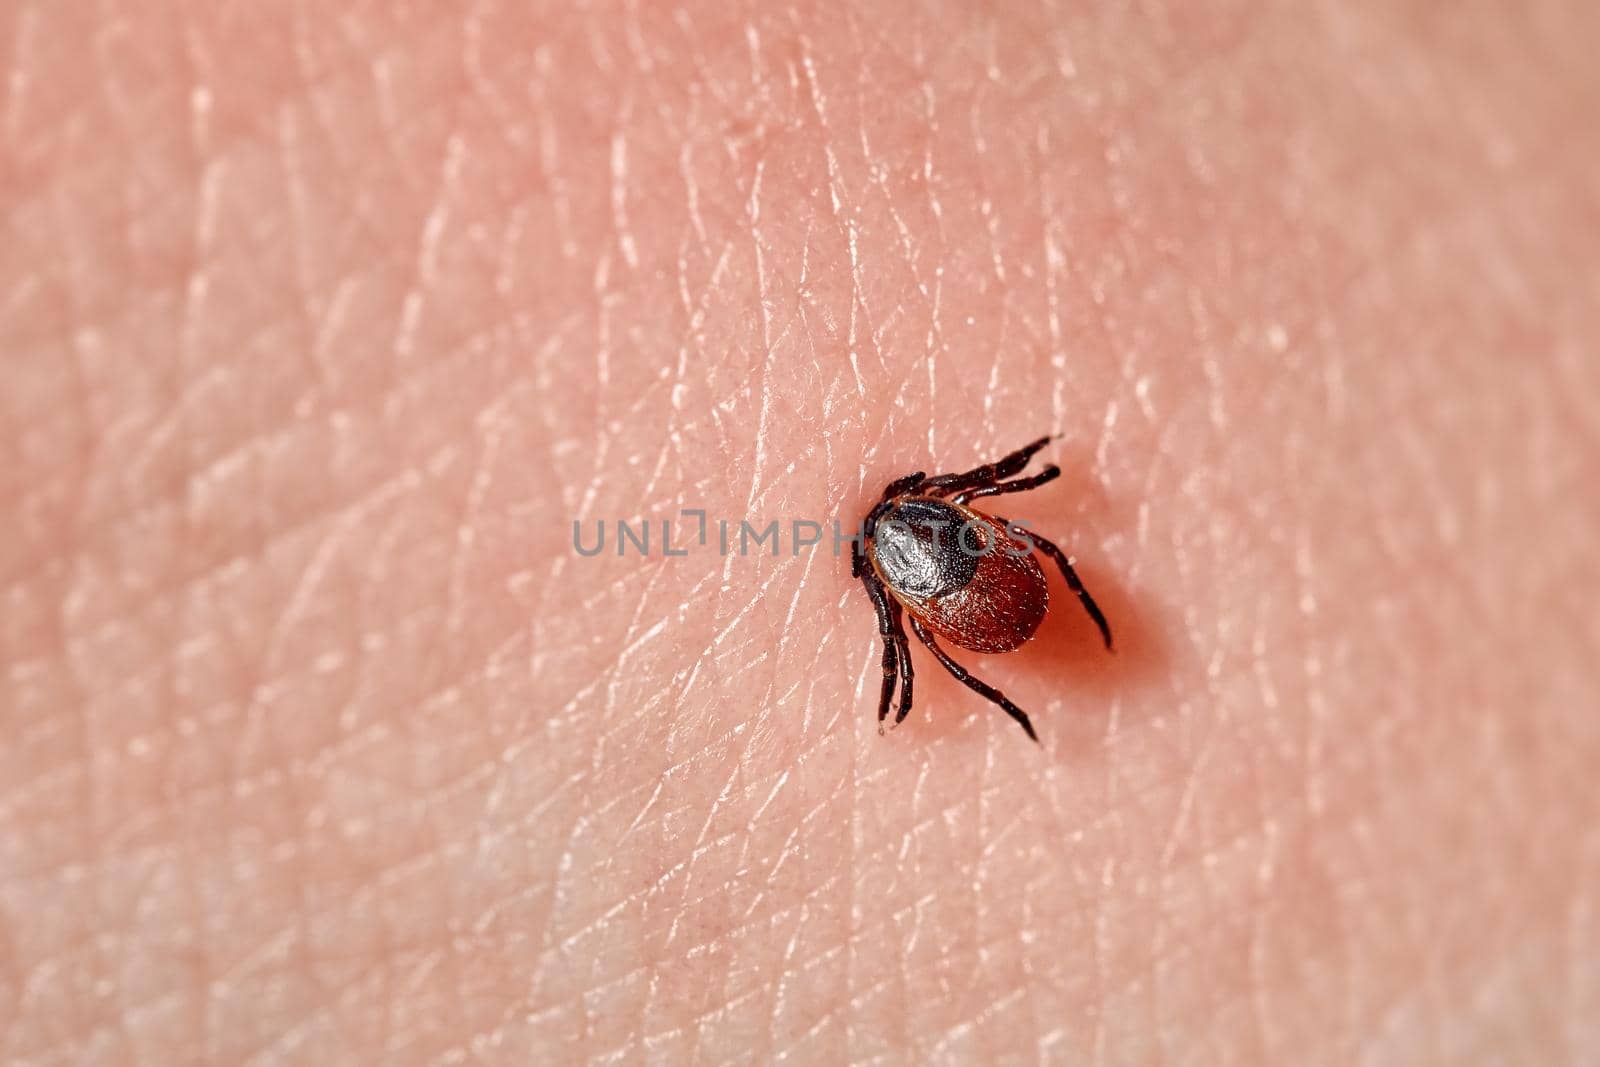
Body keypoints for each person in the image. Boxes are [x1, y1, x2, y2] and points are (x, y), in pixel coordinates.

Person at [3, 3, 1597, 1062]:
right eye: (917, 532)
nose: (919, 530)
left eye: (927, 522)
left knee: (1039, 614)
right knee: (1043, 608)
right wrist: (983, 615)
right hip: (995, 624)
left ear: (938, 538)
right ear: (925, 566)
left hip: (994, 627)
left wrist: (963, 632)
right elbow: (1002, 521)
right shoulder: (963, 567)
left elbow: (984, 536)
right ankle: (1049, 667)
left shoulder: (940, 580)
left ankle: (1050, 671)